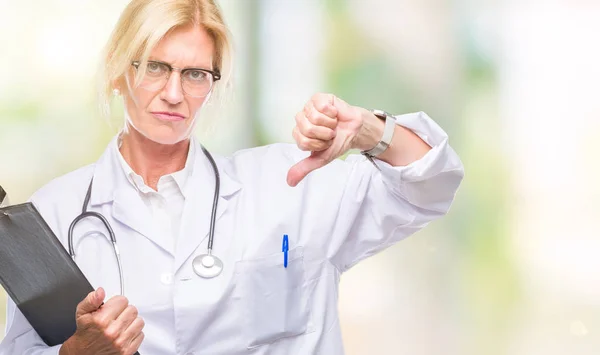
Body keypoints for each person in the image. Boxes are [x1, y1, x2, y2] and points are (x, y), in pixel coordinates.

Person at [0, 0, 464, 354]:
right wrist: (74, 353)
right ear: (120, 70)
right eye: (156, 67)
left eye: (196, 73)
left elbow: (431, 185)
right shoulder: (52, 214)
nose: (175, 93)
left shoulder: (289, 184)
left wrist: (368, 129)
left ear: (214, 83)